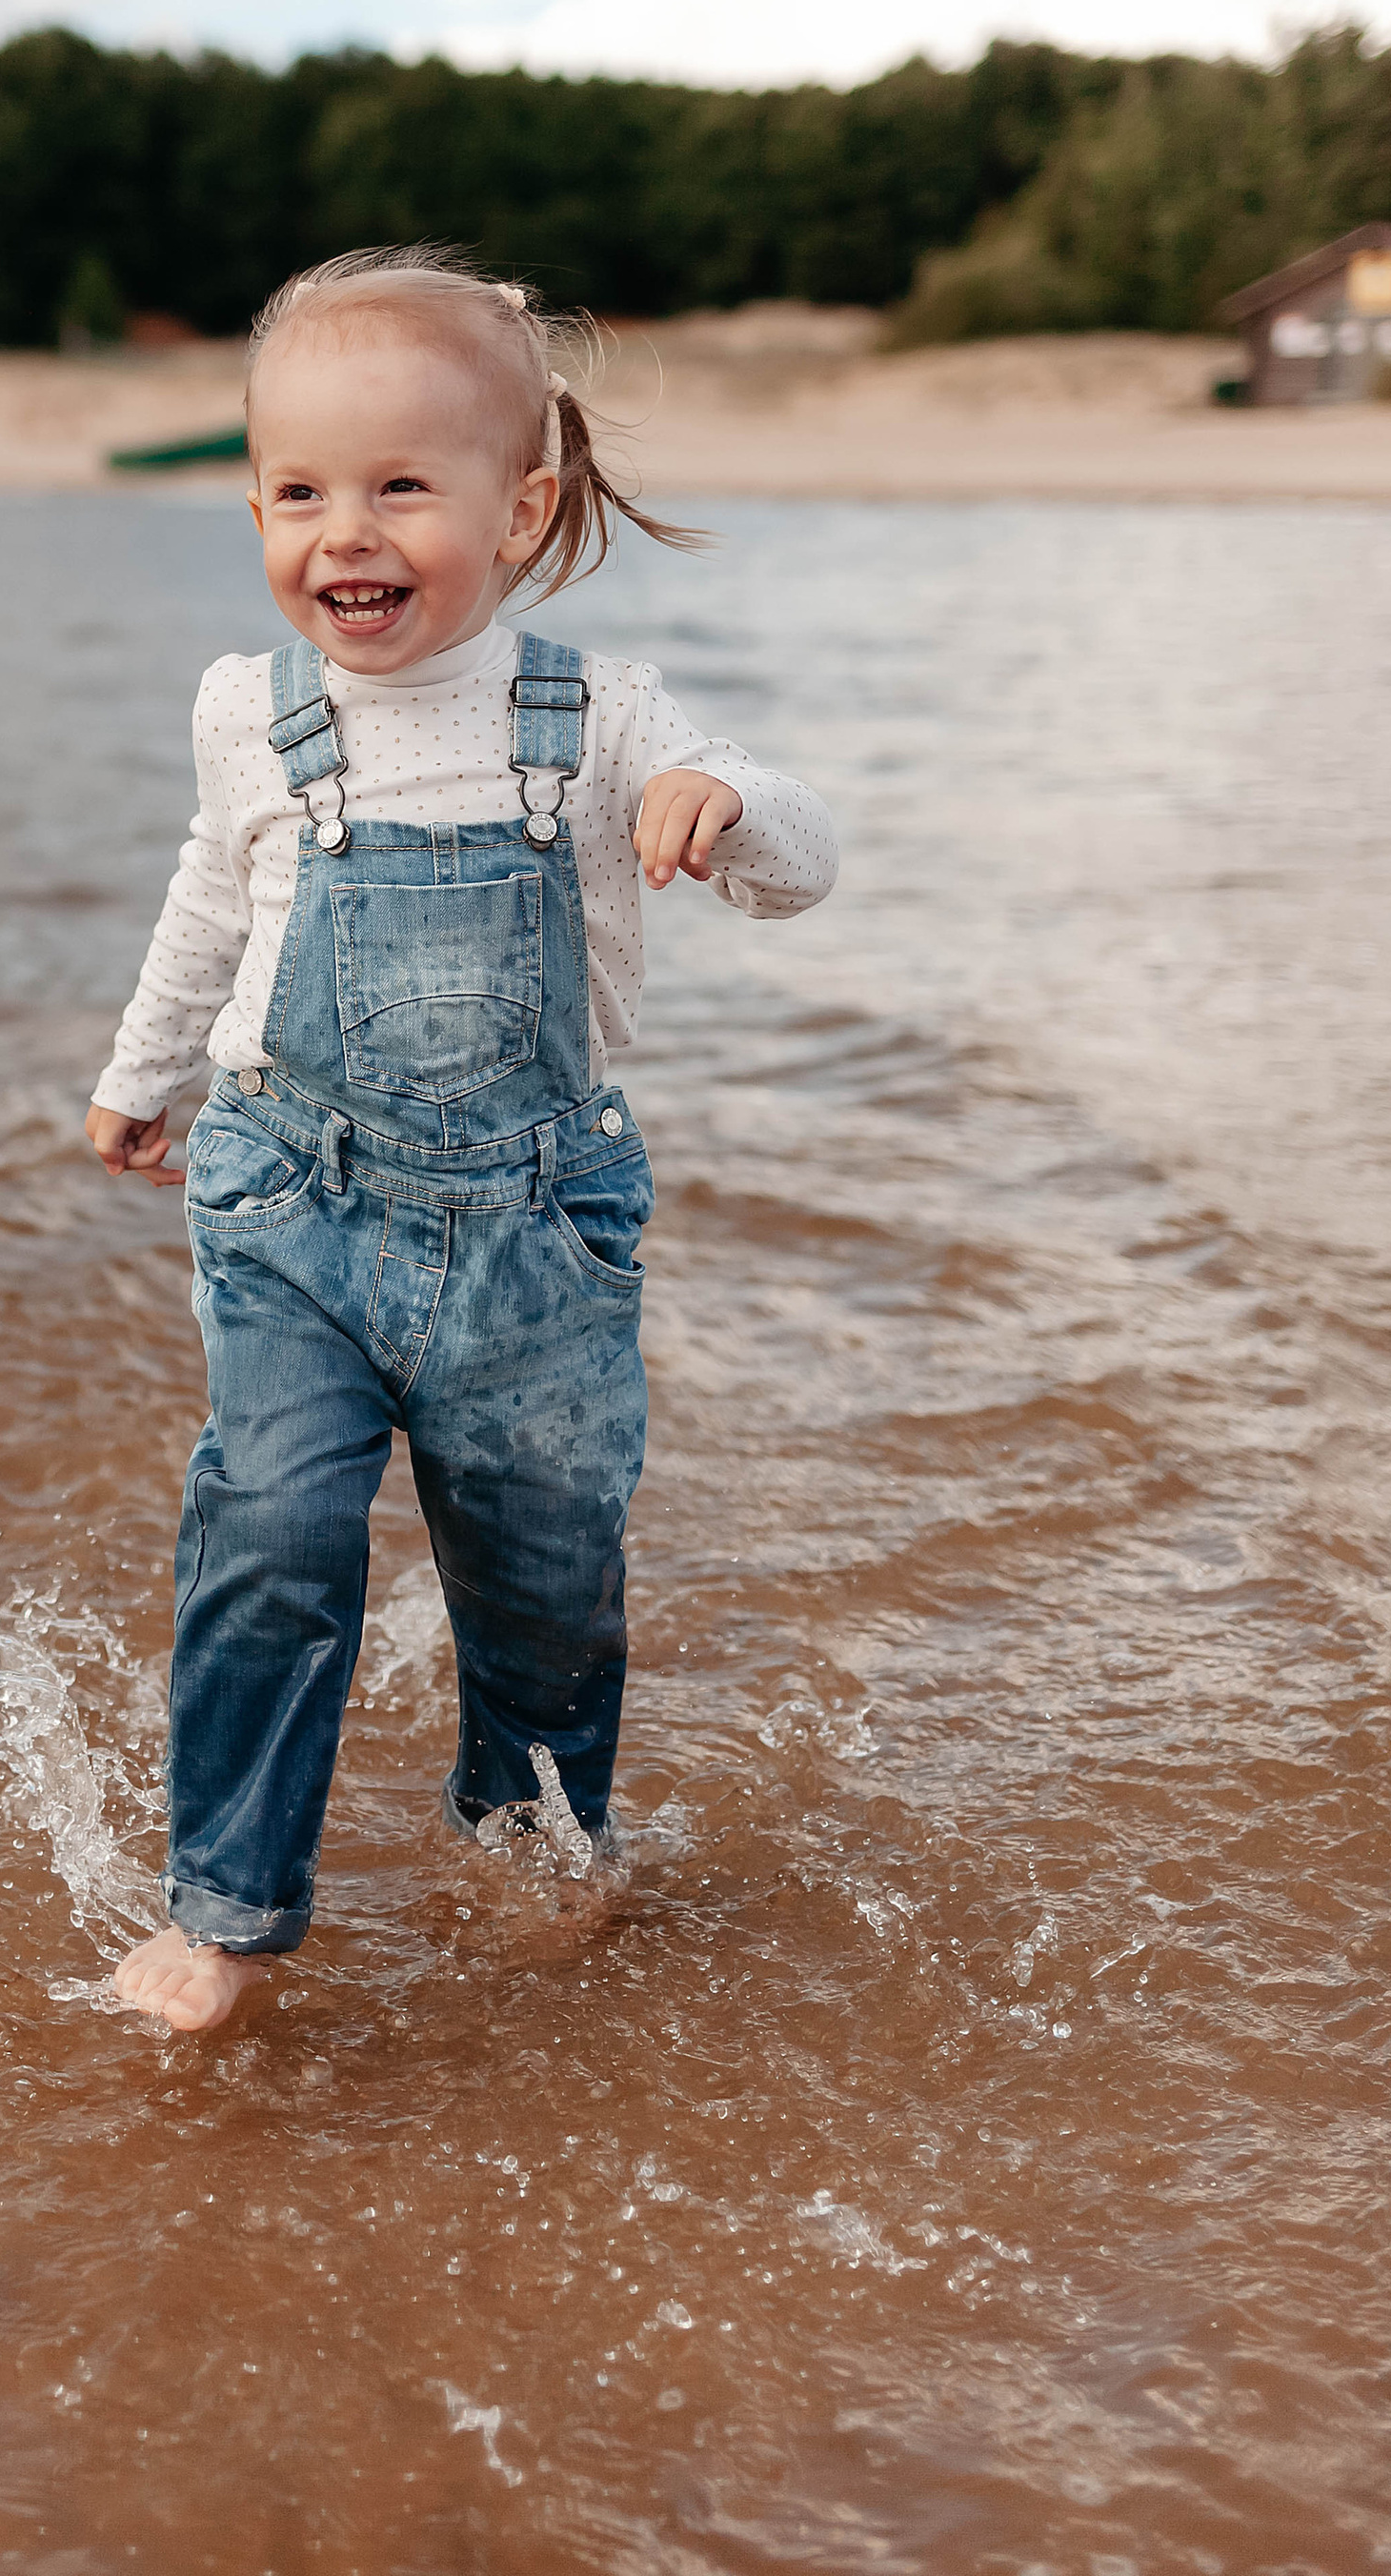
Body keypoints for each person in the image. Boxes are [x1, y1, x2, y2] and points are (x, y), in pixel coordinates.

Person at [85, 247, 839, 2031]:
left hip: (537, 1237)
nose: (344, 532)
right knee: (270, 1533)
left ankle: (537, 1833)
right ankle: (227, 1911)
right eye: (297, 490)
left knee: (549, 1577)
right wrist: (146, 1068)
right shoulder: (242, 712)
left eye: (403, 486)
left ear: (523, 509)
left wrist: (723, 808)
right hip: (291, 1204)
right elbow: (212, 894)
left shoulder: (601, 717)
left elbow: (805, 862)